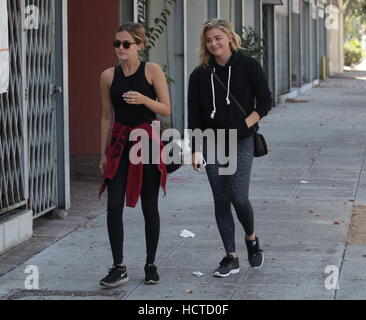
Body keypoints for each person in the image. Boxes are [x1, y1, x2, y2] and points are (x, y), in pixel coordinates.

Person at [188, 19, 273, 277]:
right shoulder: (200, 74)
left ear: (229, 38)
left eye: (218, 38)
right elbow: (194, 116)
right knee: (221, 200)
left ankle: (251, 238)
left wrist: (245, 125)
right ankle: (230, 257)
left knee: (238, 196)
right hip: (213, 143)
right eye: (209, 40)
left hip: (241, 140)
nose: (213, 43)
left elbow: (265, 101)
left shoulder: (248, 66)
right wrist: (195, 149)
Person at [98, 22, 171, 287]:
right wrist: (103, 151)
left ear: (140, 45)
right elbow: (107, 116)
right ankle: (118, 266)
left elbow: (165, 109)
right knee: (114, 205)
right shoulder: (108, 76)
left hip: (146, 142)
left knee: (149, 206)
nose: (120, 48)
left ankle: (150, 264)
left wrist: (144, 100)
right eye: (116, 43)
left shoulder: (151, 70)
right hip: (119, 144)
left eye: (126, 43)